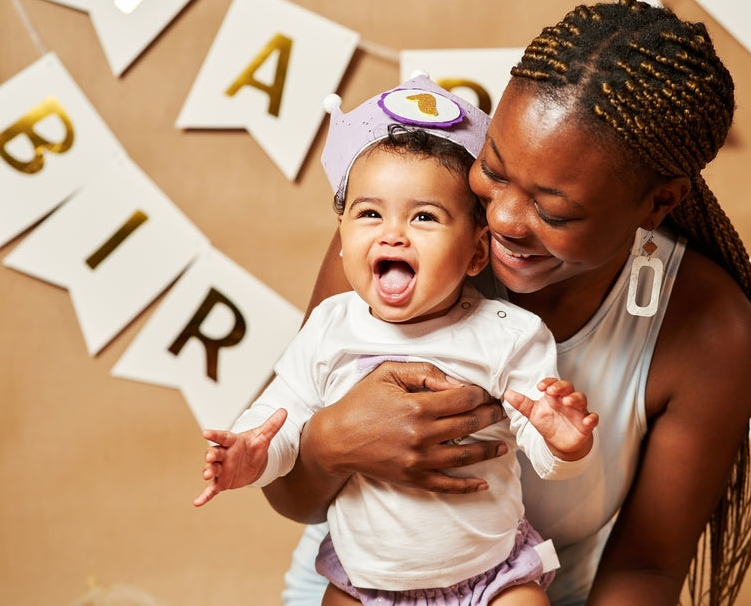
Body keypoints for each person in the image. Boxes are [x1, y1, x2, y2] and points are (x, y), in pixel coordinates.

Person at [264, 0, 751, 606]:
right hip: (359, 588)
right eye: (495, 170)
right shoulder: (407, 237)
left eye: (553, 210)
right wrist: (332, 442)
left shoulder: (708, 332)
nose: (502, 219)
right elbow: (288, 493)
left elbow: (646, 568)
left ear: (658, 203)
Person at [194, 73, 601, 606]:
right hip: (364, 582)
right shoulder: (329, 328)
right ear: (341, 239)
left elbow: (538, 437)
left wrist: (562, 443)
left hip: (492, 577)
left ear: (477, 252)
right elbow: (284, 416)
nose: (393, 234)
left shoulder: (506, 333)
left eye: (425, 217)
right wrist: (254, 454)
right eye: (369, 213)